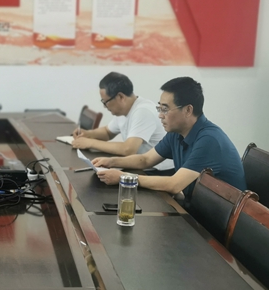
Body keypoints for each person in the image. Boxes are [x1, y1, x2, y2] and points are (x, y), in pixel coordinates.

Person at [92, 77, 246, 200]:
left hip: (219, 223)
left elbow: (174, 184)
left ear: (188, 110)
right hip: (198, 208)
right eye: (159, 108)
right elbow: (146, 159)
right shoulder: (176, 132)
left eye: (165, 109)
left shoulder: (209, 140)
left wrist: (123, 177)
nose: (160, 115)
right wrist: (111, 162)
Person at [72, 72, 172, 170]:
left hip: (158, 171)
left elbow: (128, 149)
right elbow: (107, 132)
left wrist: (90, 143)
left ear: (120, 97)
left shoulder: (143, 111)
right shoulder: (124, 111)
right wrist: (88, 134)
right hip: (140, 165)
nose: (105, 106)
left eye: (105, 102)